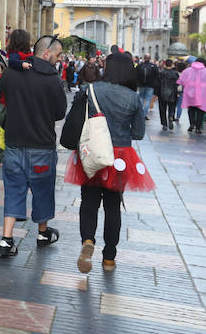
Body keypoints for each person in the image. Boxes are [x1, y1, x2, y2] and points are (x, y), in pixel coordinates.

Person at [61, 51, 154, 273]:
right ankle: (109, 258)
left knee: (89, 202)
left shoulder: (91, 89)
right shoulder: (132, 97)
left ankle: (88, 241)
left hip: (93, 151)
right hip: (120, 157)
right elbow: (139, 133)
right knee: (113, 206)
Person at [0, 35, 67, 257]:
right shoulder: (53, 79)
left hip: (14, 144)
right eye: (58, 54)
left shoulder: (12, 73)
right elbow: (60, 113)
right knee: (42, 191)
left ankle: (6, 240)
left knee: (13, 191)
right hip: (42, 146)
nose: (60, 58)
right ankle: (43, 234)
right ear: (46, 54)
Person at [178, 57, 206, 134]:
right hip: (202, 95)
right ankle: (198, 128)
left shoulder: (187, 70)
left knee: (191, 109)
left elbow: (181, 81)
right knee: (201, 111)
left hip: (190, 93)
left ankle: (192, 123)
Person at [158, 59, 180, 131]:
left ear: (165, 64)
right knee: (172, 107)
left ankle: (164, 124)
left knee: (162, 109)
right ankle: (170, 117)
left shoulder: (161, 72)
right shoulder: (175, 73)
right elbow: (178, 83)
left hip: (162, 92)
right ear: (172, 65)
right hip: (172, 93)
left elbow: (157, 83)